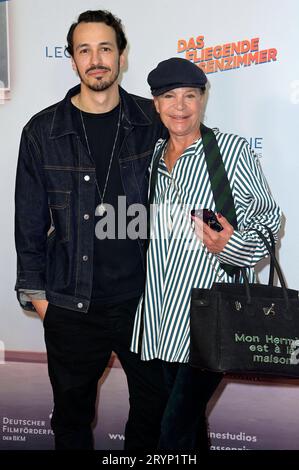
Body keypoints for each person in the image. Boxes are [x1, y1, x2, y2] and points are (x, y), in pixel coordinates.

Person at [14, 10, 167, 450]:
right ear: (73, 60)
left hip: (146, 303)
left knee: (154, 418)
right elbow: (29, 223)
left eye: (105, 48)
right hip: (71, 306)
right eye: (85, 50)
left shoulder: (152, 120)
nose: (96, 59)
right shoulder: (43, 131)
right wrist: (42, 303)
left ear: (121, 55)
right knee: (71, 421)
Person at [131, 57, 281, 451]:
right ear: (156, 104)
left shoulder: (229, 151)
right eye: (169, 97)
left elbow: (269, 220)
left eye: (190, 96)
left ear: (203, 100)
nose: (180, 106)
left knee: (171, 434)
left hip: (210, 324)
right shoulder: (153, 161)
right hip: (161, 324)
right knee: (188, 430)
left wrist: (230, 244)